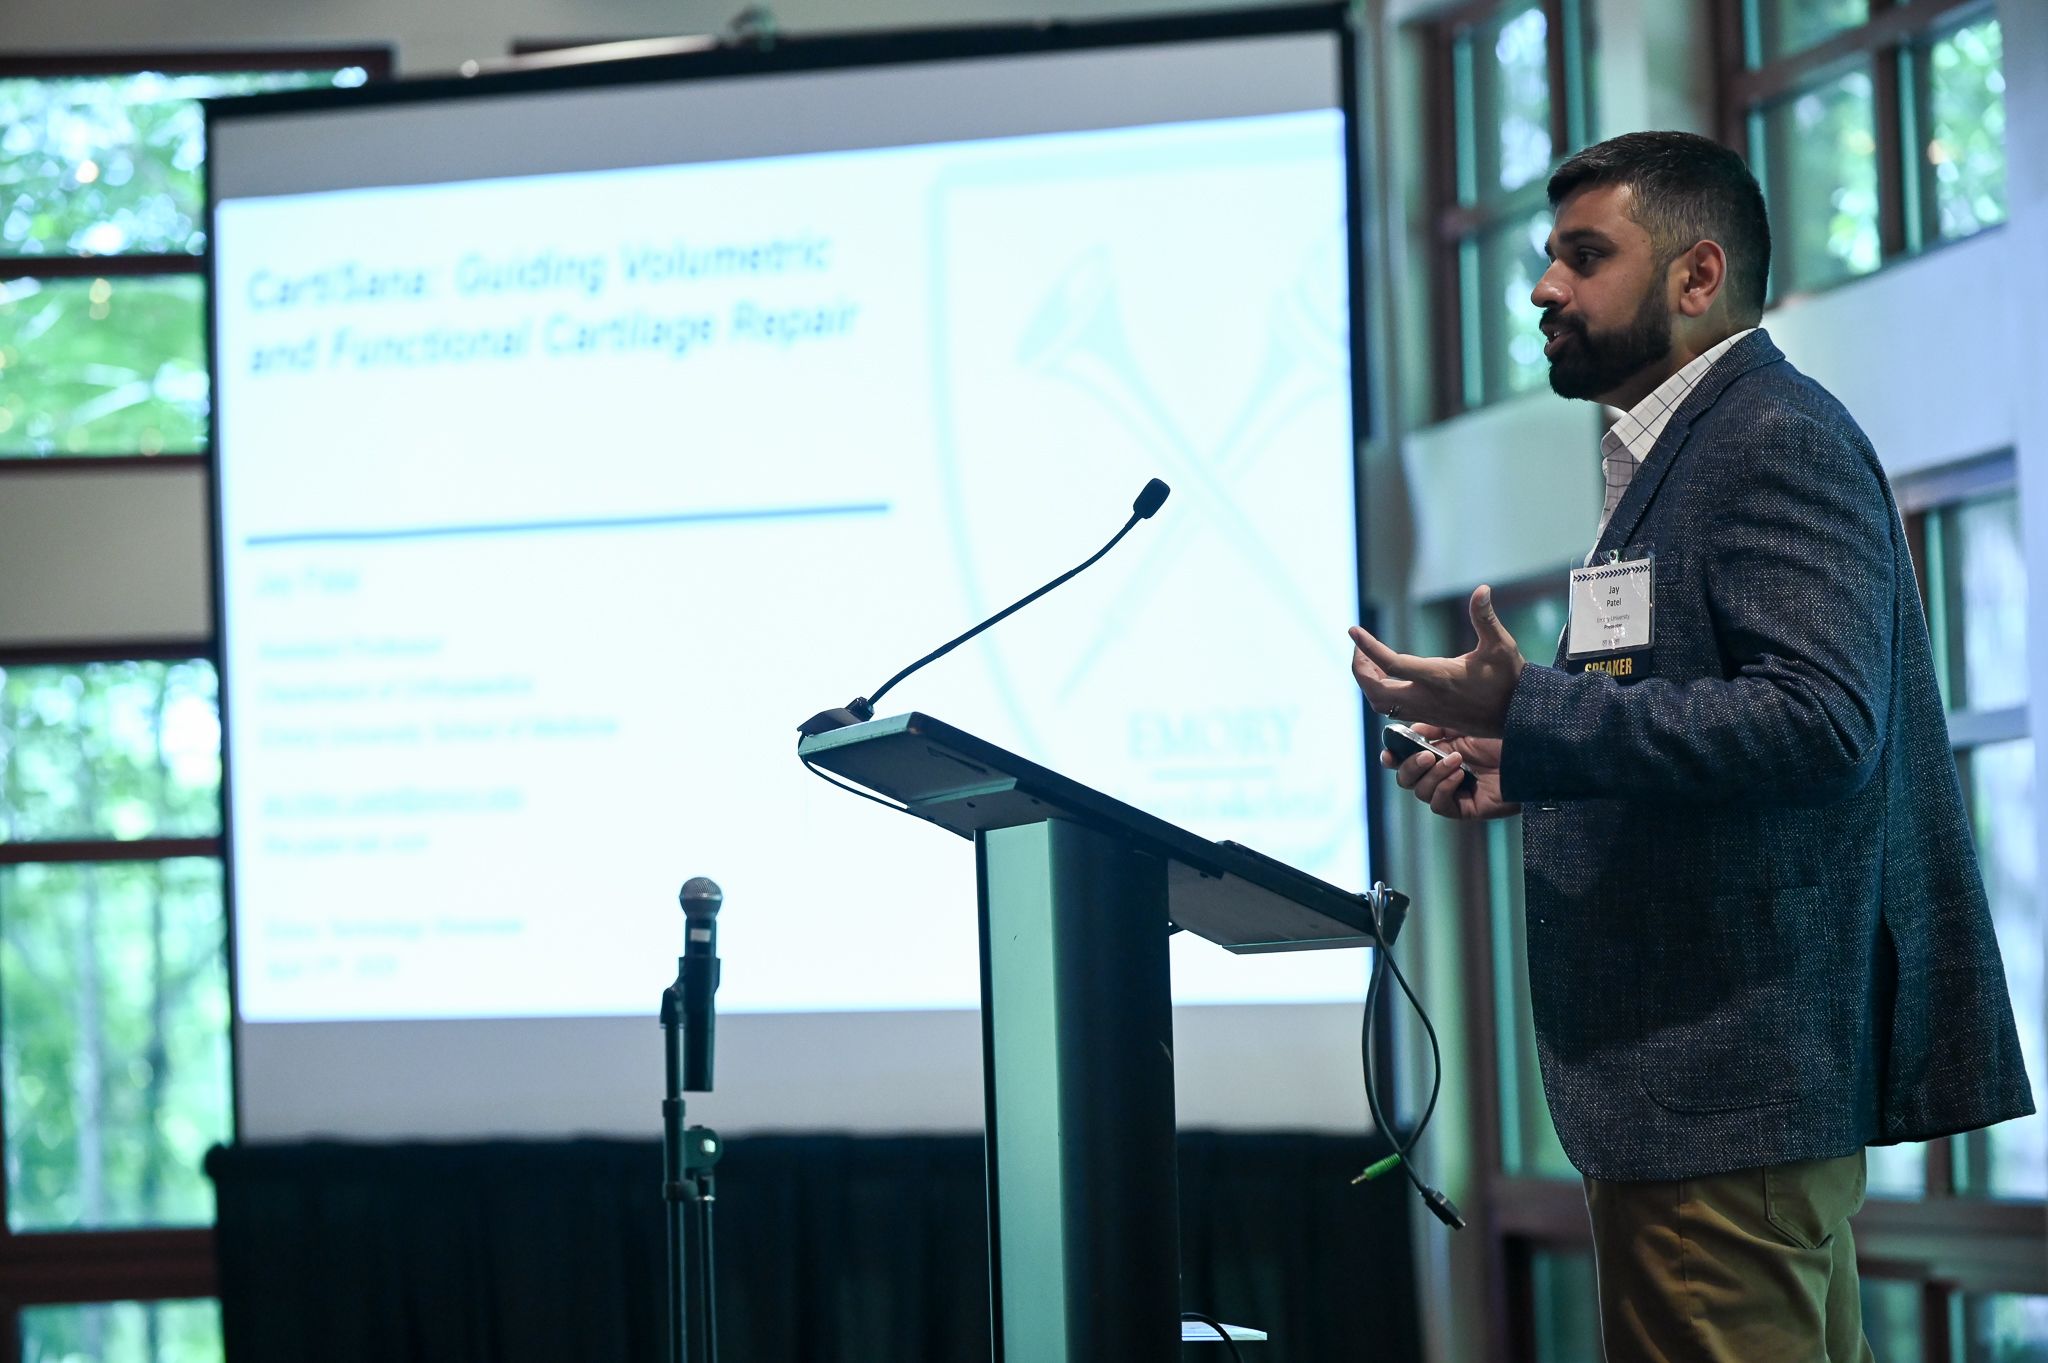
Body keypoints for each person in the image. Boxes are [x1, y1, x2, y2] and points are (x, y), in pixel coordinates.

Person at [1349, 130, 2033, 1363]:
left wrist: (1535, 708)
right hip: (1712, 1101)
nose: (1542, 288)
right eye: (1547, 257)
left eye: (1583, 256)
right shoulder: (1682, 448)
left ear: (1696, 274)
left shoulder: (1766, 435)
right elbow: (1702, 721)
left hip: (1719, 1089)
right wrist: (1526, 760)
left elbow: (1819, 721)